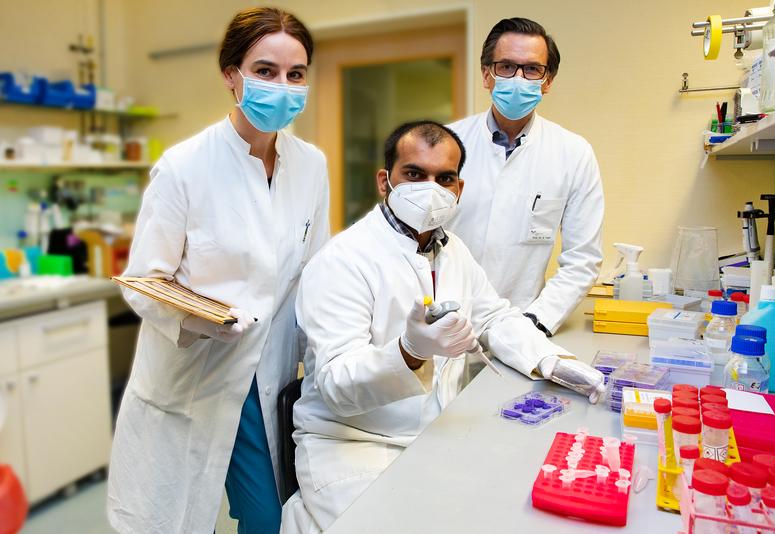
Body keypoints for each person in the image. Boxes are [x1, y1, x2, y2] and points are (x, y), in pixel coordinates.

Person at [280, 121, 604, 533]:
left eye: (444, 178)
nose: (430, 188)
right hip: (353, 445)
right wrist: (409, 352)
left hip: (432, 435)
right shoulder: (342, 261)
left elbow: (494, 317)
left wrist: (551, 361)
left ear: (458, 189)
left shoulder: (451, 251)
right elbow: (336, 387)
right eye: (414, 174)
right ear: (386, 181)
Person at [107, 7, 329, 534]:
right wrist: (201, 319)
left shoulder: (311, 164)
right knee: (178, 516)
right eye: (265, 71)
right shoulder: (184, 167)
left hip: (267, 371)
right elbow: (145, 280)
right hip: (194, 371)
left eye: (295, 74)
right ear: (231, 76)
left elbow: (314, 271)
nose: (282, 86)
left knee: (267, 518)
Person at [447, 17, 604, 336]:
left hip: (521, 324)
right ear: (486, 74)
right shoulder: (447, 143)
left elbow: (582, 259)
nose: (518, 78)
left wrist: (534, 322)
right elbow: (415, 237)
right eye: (506, 66)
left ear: (547, 81)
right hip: (445, 320)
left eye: (532, 69)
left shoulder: (574, 153)